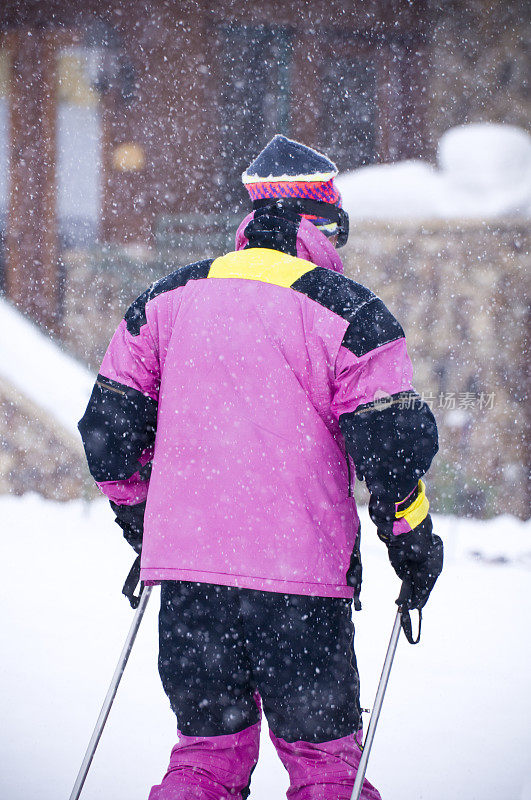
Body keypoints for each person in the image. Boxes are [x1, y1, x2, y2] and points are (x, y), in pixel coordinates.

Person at [79, 134, 443, 800]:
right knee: (327, 767)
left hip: (189, 586)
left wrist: (141, 521)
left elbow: (108, 435)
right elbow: (390, 457)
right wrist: (414, 544)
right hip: (300, 590)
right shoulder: (351, 312)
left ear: (248, 222)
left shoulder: (164, 300)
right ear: (324, 223)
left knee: (204, 759)